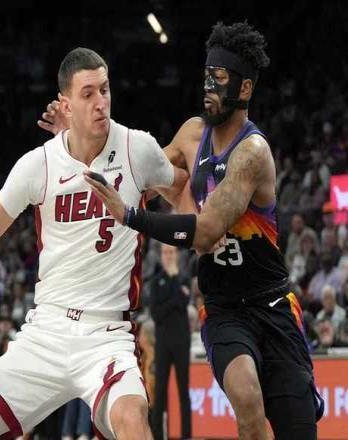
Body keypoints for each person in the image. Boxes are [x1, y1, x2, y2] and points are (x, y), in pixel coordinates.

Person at [0, 47, 186, 440]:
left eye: (105, 89)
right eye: (88, 93)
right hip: (45, 333)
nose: (101, 102)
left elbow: (182, 189)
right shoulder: (38, 164)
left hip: (107, 335)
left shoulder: (136, 148)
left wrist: (200, 228)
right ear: (66, 105)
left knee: (132, 420)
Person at [80, 22, 324, 440]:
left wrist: (131, 216)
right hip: (224, 309)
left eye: (220, 79)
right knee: (246, 397)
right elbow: (142, 172)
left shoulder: (252, 151)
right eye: (207, 76)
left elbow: (207, 232)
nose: (208, 88)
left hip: (272, 304)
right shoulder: (193, 134)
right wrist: (77, 141)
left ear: (244, 89)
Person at [149, 244, 191, 440]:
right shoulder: (155, 281)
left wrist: (174, 281)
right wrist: (174, 299)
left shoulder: (184, 278)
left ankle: (186, 435)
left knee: (183, 391)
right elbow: (156, 314)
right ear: (161, 255)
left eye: (171, 252)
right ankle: (158, 435)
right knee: (160, 392)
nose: (168, 256)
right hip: (163, 342)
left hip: (182, 341)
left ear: (176, 254)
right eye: (165, 252)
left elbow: (183, 304)